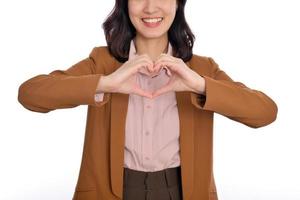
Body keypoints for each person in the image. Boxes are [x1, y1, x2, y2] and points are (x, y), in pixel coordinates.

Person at [17, 0, 278, 199]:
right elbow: (30, 94)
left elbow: (265, 112)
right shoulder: (102, 63)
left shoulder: (201, 69)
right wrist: (107, 82)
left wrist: (199, 84)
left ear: (178, 3)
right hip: (111, 192)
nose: (150, 7)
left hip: (181, 191)